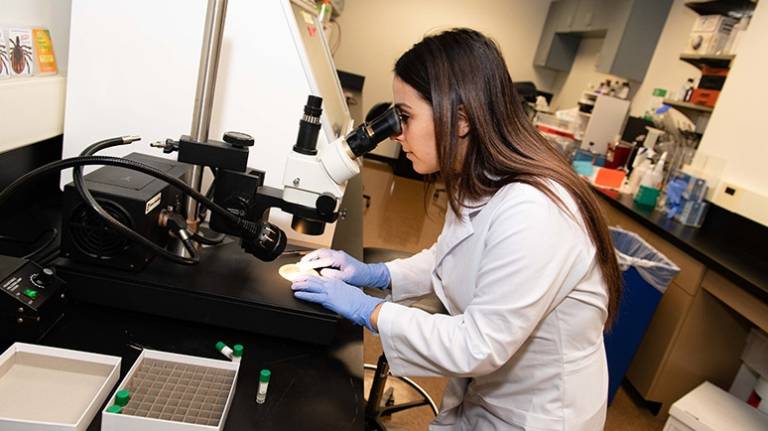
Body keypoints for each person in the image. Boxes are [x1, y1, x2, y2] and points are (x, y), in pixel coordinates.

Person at [291, 28, 622, 431]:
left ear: (461, 119)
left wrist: (371, 310)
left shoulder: (536, 211)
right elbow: (450, 255)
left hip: (540, 415)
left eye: (405, 117)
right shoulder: (479, 179)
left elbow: (478, 343)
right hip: (487, 394)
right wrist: (378, 275)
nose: (396, 132)